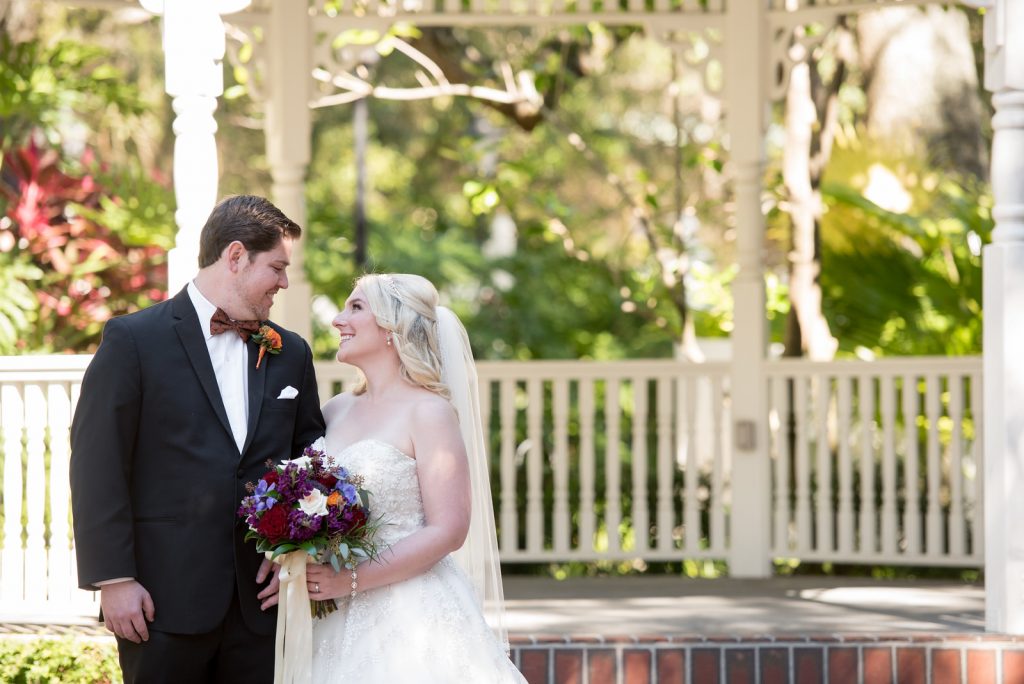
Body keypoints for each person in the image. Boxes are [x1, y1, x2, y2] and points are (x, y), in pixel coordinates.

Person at [69, 194, 326, 684]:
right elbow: (97, 465)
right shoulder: (133, 341)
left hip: (261, 605)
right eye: (276, 267)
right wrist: (115, 579)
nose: (284, 282)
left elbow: (310, 459)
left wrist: (296, 550)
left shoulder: (291, 352)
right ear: (235, 256)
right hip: (160, 602)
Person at [305, 273, 526, 682]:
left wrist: (349, 580)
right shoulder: (335, 409)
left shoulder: (429, 412)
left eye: (356, 307)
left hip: (408, 615)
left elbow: (449, 530)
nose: (337, 320)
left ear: (392, 328)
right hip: (329, 613)